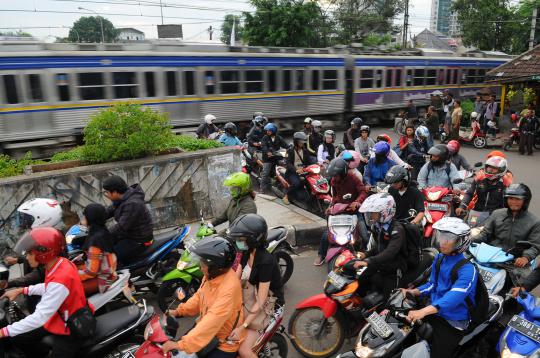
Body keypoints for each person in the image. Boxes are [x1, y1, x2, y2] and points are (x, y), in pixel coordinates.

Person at [1, 227, 89, 357]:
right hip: (61, 316)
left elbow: (40, 317)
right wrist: (22, 290)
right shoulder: (59, 263)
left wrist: (4, 331)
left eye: (30, 253)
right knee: (20, 338)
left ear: (43, 253)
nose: (27, 257)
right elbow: (49, 286)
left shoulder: (60, 278)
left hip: (72, 326)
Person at [401, 217, 478, 358]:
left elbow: (452, 298)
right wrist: (412, 291)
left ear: (461, 242)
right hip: (433, 310)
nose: (443, 241)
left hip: (453, 320)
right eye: (441, 236)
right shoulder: (440, 258)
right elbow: (432, 285)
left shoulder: (468, 270)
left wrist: (423, 311)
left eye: (449, 238)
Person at [165, 236, 243, 357]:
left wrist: (180, 345)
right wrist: (178, 311)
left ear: (216, 266)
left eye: (203, 263)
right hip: (207, 333)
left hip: (223, 342)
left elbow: (212, 320)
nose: (200, 266)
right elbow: (199, 297)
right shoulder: (210, 277)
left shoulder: (229, 288)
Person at [227, 214, 285, 358]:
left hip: (268, 305)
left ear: (253, 239)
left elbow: (261, 300)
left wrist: (243, 327)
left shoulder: (266, 261)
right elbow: (235, 278)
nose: (238, 241)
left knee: (244, 350)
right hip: (250, 298)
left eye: (241, 238)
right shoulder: (246, 252)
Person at [314, 158, 367, 266]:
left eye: (336, 175)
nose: (334, 177)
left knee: (364, 235)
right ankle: (321, 254)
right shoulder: (334, 181)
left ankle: (366, 255)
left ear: (342, 172)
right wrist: (332, 206)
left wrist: (356, 202)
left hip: (354, 211)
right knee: (328, 233)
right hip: (340, 210)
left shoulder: (354, 178)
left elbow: (362, 192)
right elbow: (336, 196)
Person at [472, 183, 540, 268]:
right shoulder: (497, 214)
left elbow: (535, 246)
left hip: (514, 261)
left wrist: (525, 258)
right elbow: (485, 234)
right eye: (510, 198)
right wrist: (468, 241)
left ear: (525, 201)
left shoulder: (534, 222)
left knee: (522, 281)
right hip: (491, 257)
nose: (513, 202)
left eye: (518, 199)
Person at [354, 193, 408, 298]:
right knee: (360, 279)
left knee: (390, 300)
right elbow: (379, 247)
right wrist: (365, 255)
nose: (370, 216)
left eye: (373, 212)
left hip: (394, 267)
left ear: (385, 212)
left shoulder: (397, 229)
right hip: (381, 263)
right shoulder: (378, 226)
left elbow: (390, 252)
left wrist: (368, 261)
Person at [103, 175, 154, 265]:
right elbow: (109, 211)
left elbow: (121, 227)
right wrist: (94, 217)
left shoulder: (132, 203)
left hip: (139, 239)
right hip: (129, 234)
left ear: (114, 192)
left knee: (110, 257)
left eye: (106, 192)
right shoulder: (122, 198)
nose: (106, 195)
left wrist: (102, 234)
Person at [456, 156, 511, 225]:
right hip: (476, 212)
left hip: (494, 215)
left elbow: (506, 204)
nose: (490, 170)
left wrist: (504, 217)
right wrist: (462, 206)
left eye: (494, 169)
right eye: (489, 167)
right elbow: (469, 193)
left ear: (501, 170)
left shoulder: (504, 184)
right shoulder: (479, 180)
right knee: (469, 227)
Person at [78, 204, 117, 296]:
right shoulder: (102, 231)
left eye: (85, 215)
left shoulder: (95, 240)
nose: (83, 217)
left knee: (69, 288)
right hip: (109, 273)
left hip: (103, 279)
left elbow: (91, 272)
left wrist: (72, 275)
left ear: (91, 217)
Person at [283, 132, 315, 205]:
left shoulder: (305, 151)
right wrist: (296, 170)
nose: (302, 144)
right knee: (296, 183)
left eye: (303, 142)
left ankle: (311, 199)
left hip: (304, 172)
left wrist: (316, 165)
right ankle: (286, 196)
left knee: (312, 182)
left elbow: (309, 161)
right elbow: (288, 163)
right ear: (296, 142)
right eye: (300, 142)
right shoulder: (290, 151)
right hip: (292, 173)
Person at [260, 123, 289, 195]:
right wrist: (267, 152)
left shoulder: (278, 138)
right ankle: (262, 188)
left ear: (273, 130)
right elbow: (264, 146)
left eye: (269, 131)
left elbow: (285, 145)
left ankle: (280, 186)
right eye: (267, 131)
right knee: (265, 173)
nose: (267, 132)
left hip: (276, 158)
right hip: (268, 159)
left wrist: (290, 149)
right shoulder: (265, 138)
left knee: (283, 171)